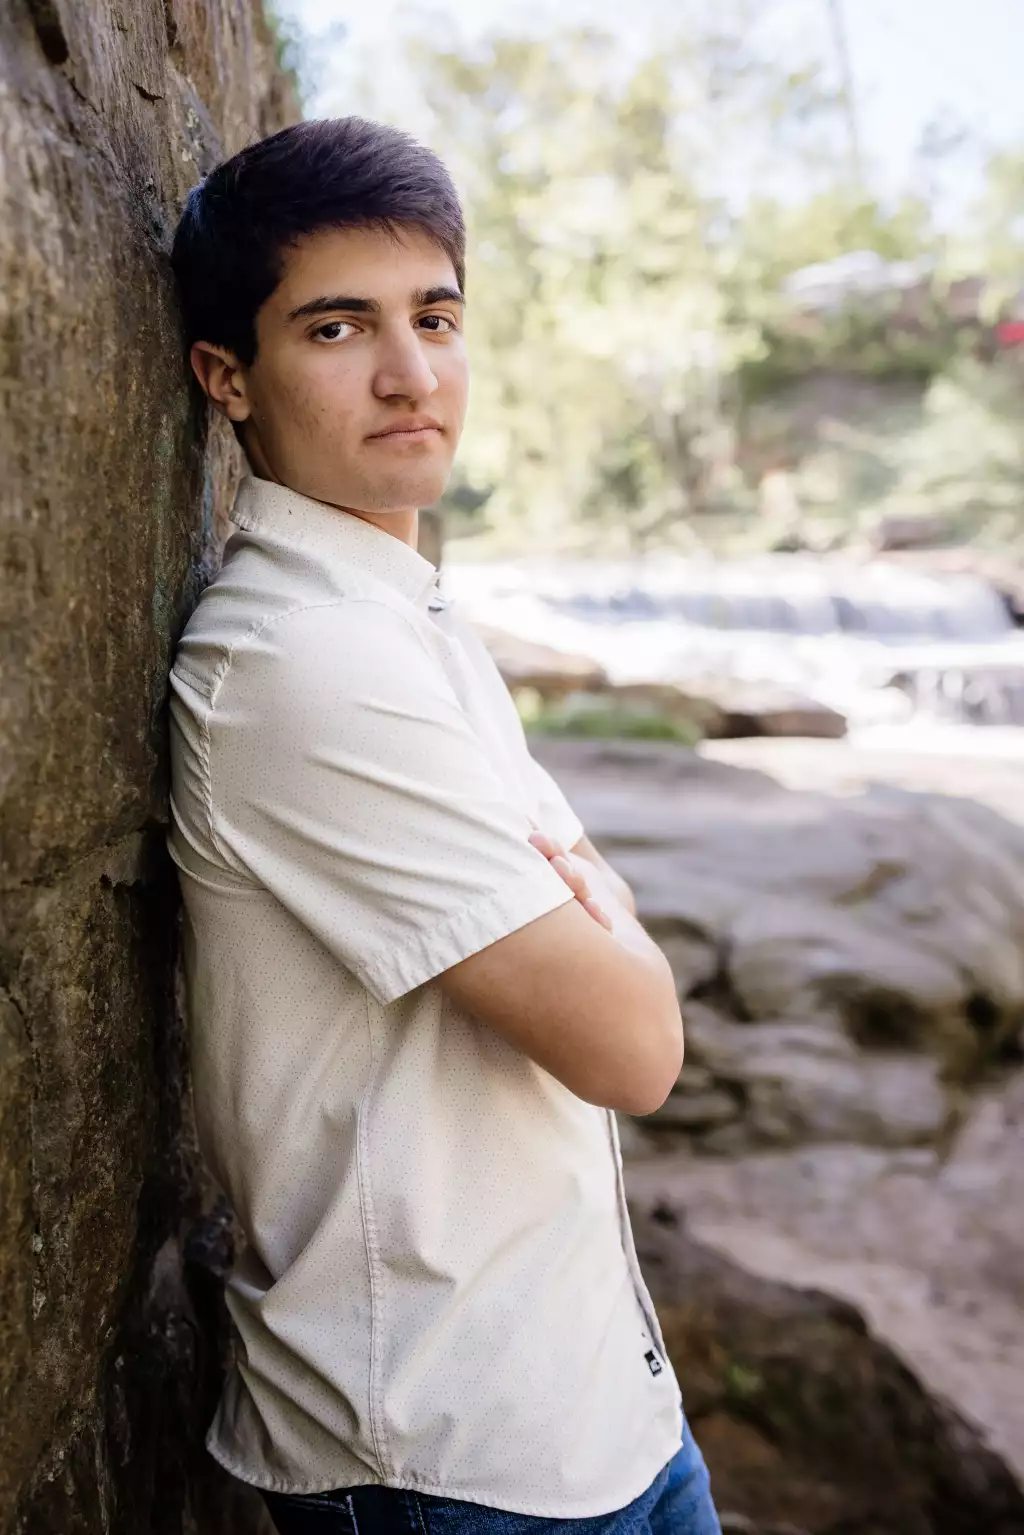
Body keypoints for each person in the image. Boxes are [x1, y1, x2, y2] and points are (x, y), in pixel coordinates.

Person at [167, 116, 720, 1535]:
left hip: (601, 1401)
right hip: (446, 1460)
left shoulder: (404, 613)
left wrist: (591, 902)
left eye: (437, 317)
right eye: (339, 327)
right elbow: (635, 1043)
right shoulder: (305, 662)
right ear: (228, 374)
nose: (411, 372)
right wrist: (603, 903)